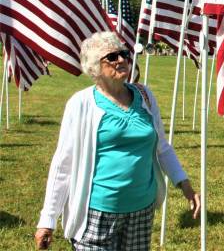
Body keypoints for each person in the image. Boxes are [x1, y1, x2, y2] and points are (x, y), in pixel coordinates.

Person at [34, 32, 200, 250]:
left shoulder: (145, 96)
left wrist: (185, 185)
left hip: (142, 209)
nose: (122, 60)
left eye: (124, 54)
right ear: (94, 67)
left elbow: (162, 148)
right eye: (112, 57)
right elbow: (63, 164)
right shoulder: (81, 104)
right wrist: (48, 220)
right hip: (97, 213)